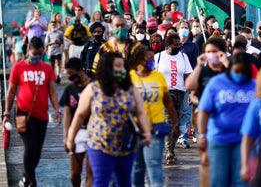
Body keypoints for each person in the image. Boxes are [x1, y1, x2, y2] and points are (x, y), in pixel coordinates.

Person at [65, 52, 151, 187]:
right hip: (100, 144)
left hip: (127, 144)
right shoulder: (93, 88)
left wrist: (146, 132)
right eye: (118, 66)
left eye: (122, 66)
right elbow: (80, 115)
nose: (121, 69)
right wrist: (71, 139)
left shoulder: (129, 88)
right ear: (107, 68)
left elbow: (140, 111)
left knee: (124, 182)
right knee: (100, 182)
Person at [2, 37, 61, 187]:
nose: (37, 56)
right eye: (35, 53)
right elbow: (10, 92)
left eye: (40, 54)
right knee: (31, 146)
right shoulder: (18, 67)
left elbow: (52, 91)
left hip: (42, 114)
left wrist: (57, 109)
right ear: (29, 51)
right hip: (23, 113)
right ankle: (31, 181)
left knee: (37, 151)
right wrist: (6, 113)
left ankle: (25, 176)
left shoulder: (47, 68)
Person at [197, 53, 256, 187]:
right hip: (219, 140)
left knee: (242, 181)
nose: (240, 74)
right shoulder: (216, 83)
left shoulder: (254, 85)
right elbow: (204, 111)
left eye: (243, 71)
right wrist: (201, 134)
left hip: (245, 141)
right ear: (230, 70)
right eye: (237, 71)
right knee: (219, 180)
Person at [129, 46, 180, 187]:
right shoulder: (130, 77)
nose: (152, 62)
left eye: (153, 59)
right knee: (137, 167)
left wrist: (175, 125)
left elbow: (168, 102)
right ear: (139, 60)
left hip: (155, 129)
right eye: (149, 60)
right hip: (135, 129)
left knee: (154, 164)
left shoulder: (158, 77)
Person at [185, 37, 229, 187]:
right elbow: (189, 86)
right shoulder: (204, 71)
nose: (211, 54)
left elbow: (239, 81)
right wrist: (199, 65)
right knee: (205, 160)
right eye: (208, 51)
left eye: (214, 52)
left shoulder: (228, 69)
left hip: (227, 120)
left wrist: (226, 63)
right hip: (207, 120)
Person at [154, 33, 193, 163]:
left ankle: (169, 148)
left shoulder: (183, 57)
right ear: (168, 45)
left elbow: (188, 76)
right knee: (168, 121)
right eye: (176, 45)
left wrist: (192, 92)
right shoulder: (158, 57)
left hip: (180, 93)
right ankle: (169, 151)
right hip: (163, 93)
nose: (178, 47)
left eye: (179, 45)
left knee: (175, 122)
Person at [60, 58, 93, 187]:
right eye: (67, 74)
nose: (69, 77)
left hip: (93, 132)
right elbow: (67, 116)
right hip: (76, 132)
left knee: (92, 173)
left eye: (71, 74)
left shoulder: (93, 86)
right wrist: (66, 138)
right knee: (74, 174)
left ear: (80, 70)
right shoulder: (69, 90)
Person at [177, 20, 199, 148]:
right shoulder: (173, 45)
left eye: (186, 27)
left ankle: (183, 137)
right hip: (174, 83)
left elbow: (195, 65)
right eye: (182, 27)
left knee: (186, 111)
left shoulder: (193, 46)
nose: (184, 29)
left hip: (187, 83)